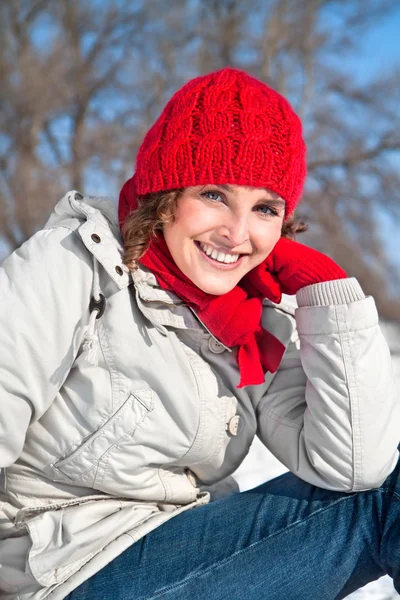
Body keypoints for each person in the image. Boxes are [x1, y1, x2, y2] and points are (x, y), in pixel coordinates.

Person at [0, 67, 399, 600]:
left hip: (179, 555)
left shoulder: (253, 325)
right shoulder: (75, 264)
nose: (237, 234)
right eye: (214, 194)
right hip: (64, 569)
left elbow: (355, 470)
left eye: (264, 208)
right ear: (165, 196)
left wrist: (332, 295)